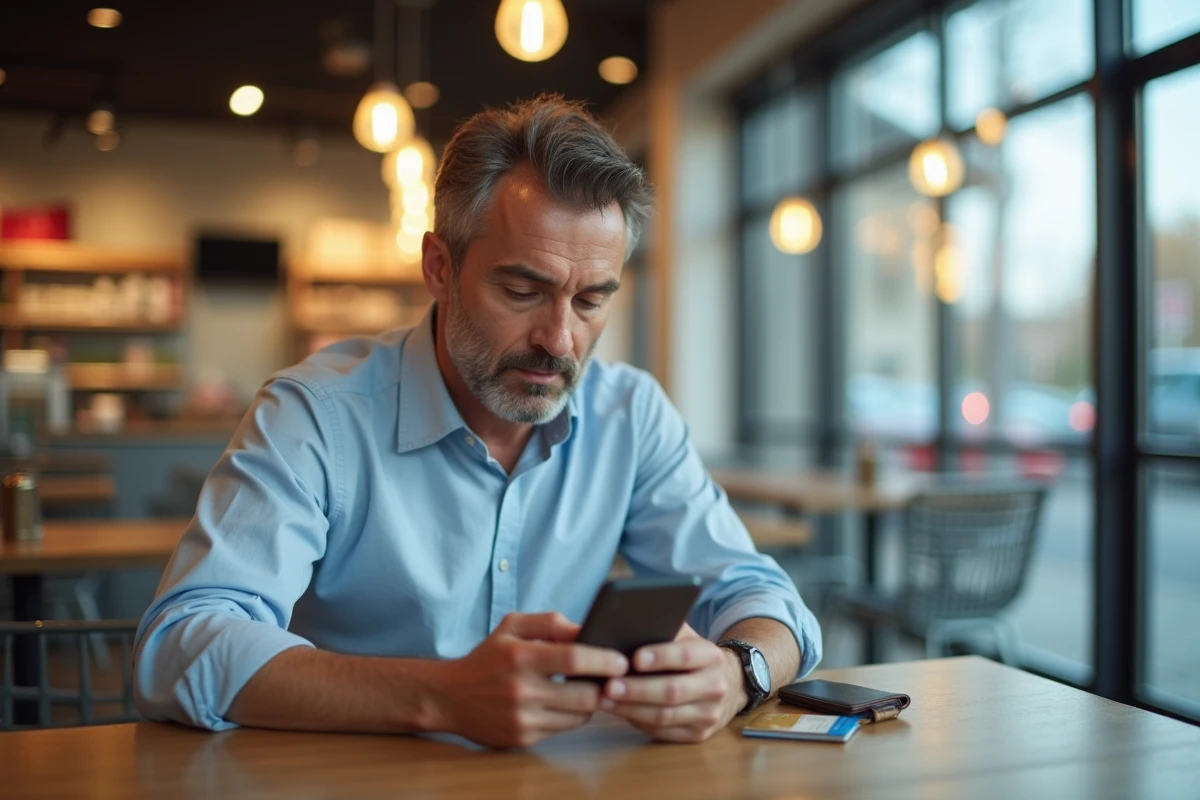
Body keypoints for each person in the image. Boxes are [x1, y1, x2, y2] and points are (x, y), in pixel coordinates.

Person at [134, 95, 821, 748]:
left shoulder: (630, 414)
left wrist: (739, 672)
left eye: (590, 301)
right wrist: (442, 696)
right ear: (440, 266)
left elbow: (760, 596)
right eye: (524, 291)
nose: (559, 339)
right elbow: (182, 645)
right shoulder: (315, 415)